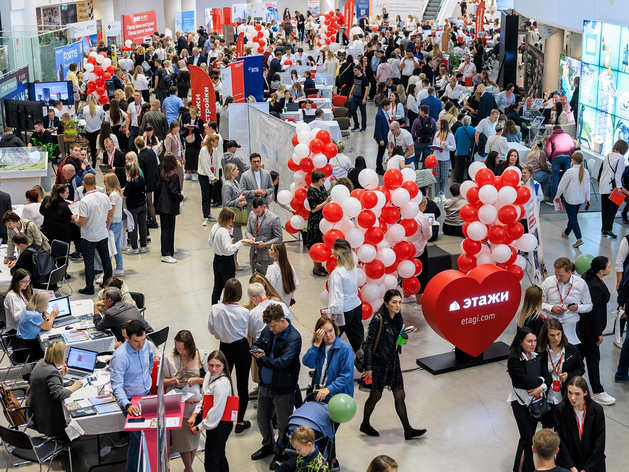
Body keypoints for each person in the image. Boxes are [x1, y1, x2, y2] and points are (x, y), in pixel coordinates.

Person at [361, 289, 427, 440]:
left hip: (393, 362)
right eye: (394, 302)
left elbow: (393, 342)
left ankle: (408, 430)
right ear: (386, 303)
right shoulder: (378, 319)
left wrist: (401, 341)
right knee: (375, 395)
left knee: (400, 394)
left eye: (399, 302)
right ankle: (365, 424)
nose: (398, 306)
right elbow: (368, 345)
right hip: (379, 363)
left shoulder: (397, 318)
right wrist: (368, 368)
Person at [250, 304, 302, 470]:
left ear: (282, 320)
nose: (270, 330)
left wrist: (262, 358)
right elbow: (256, 344)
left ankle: (281, 451)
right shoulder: (269, 329)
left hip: (283, 389)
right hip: (265, 385)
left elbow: (282, 363)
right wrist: (255, 350)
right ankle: (268, 445)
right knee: (262, 419)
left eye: (273, 326)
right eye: (269, 326)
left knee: (283, 425)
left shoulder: (294, 337)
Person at [207, 279, 252, 433]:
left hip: (224, 349)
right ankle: (240, 421)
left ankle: (221, 416)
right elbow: (249, 329)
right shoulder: (244, 312)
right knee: (242, 385)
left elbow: (212, 330)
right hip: (241, 347)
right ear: (240, 294)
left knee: (221, 382)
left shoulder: (215, 309)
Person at [110, 320, 154, 472]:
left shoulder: (145, 344)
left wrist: (146, 378)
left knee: (137, 442)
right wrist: (127, 405)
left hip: (146, 396)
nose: (141, 345)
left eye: (143, 340)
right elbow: (116, 386)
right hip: (131, 403)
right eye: (136, 341)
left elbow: (150, 358)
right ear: (127, 337)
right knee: (142, 439)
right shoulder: (120, 357)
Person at [507, 327, 552, 472]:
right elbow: (525, 382)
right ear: (520, 342)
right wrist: (541, 379)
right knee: (528, 439)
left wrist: (542, 387)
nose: (533, 344)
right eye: (529, 341)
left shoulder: (535, 356)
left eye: (534, 341)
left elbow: (549, 377)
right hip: (520, 403)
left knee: (527, 439)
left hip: (535, 403)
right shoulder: (514, 360)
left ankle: (518, 469)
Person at [163, 331, 206, 472]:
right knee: (182, 442)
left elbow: (210, 379)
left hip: (196, 404)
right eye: (178, 348)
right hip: (179, 405)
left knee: (193, 440)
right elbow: (161, 380)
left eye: (184, 349)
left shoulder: (202, 355)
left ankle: (188, 469)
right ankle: (189, 469)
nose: (181, 351)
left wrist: (197, 380)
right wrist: (173, 380)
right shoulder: (169, 358)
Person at [26, 341, 83, 440]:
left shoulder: (41, 362)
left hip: (37, 407)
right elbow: (59, 395)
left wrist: (60, 376)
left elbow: (45, 382)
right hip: (48, 415)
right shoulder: (52, 372)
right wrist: (74, 386)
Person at [188, 350, 234, 472]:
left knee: (211, 463)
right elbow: (205, 398)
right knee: (219, 457)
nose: (214, 369)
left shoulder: (221, 384)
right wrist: (195, 413)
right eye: (211, 365)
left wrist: (199, 427)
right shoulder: (209, 375)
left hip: (220, 424)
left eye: (218, 366)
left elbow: (216, 411)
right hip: (214, 422)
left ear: (224, 366)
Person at [579, 256, 616, 406]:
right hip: (589, 331)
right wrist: (598, 333)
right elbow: (593, 312)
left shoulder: (591, 278)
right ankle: (598, 392)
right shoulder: (594, 286)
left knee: (579, 357)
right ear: (601, 271)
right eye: (608, 266)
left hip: (587, 330)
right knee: (593, 360)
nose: (611, 268)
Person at [537, 319, 585, 429]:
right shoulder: (540, 352)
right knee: (547, 430)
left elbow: (581, 369)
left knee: (565, 429)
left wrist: (569, 375)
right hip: (546, 397)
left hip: (565, 397)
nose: (556, 338)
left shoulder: (571, 350)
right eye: (552, 335)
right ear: (546, 335)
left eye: (558, 334)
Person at [554, 376, 606, 472]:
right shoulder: (561, 410)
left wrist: (586, 469)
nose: (572, 398)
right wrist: (572, 467)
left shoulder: (596, 410)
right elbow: (559, 439)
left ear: (585, 393)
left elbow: (599, 443)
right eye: (570, 393)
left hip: (592, 464)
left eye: (577, 394)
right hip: (568, 465)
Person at [73, 174, 112, 294]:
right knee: (106, 260)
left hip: (89, 236)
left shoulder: (84, 201)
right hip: (102, 233)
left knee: (89, 262)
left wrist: (75, 219)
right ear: (95, 183)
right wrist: (106, 226)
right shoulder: (104, 196)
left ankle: (89, 287)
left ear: (83, 184)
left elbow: (82, 222)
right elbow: (110, 213)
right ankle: (107, 284)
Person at [541, 257, 593, 347]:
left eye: (561, 275)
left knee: (571, 356)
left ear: (569, 272)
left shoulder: (581, 284)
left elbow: (589, 305)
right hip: (552, 325)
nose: (557, 278)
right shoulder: (548, 283)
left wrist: (578, 308)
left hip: (572, 327)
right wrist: (551, 308)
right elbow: (538, 304)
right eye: (556, 274)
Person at [302, 316, 354, 402]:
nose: (328, 335)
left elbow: (346, 375)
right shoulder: (319, 347)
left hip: (337, 397)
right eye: (324, 333)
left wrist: (329, 389)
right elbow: (307, 362)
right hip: (320, 395)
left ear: (335, 329)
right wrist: (316, 344)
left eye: (330, 331)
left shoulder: (345, 349)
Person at [326, 238, 363, 353]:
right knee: (358, 342)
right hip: (356, 307)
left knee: (329, 341)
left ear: (338, 252)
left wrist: (332, 319)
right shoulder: (353, 268)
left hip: (344, 312)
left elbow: (336, 297)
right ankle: (367, 366)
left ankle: (324, 368)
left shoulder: (337, 273)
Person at [209, 207, 253, 304]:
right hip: (226, 262)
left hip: (216, 259)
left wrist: (220, 245)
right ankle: (228, 308)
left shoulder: (215, 227)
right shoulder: (224, 231)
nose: (233, 221)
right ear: (227, 219)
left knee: (217, 287)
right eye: (232, 218)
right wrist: (241, 242)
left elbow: (210, 242)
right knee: (229, 288)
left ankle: (214, 307)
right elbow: (229, 249)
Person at [155, 153, 186, 263]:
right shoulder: (174, 176)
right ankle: (166, 253)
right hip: (169, 207)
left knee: (165, 230)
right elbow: (174, 192)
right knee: (169, 230)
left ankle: (168, 249)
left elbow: (158, 188)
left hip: (162, 206)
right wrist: (181, 197)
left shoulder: (163, 174)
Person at [555, 152, 590, 249]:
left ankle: (579, 238)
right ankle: (566, 233)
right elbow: (588, 187)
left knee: (573, 218)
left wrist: (557, 195)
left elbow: (562, 186)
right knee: (573, 216)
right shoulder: (586, 171)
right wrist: (588, 198)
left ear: (573, 160)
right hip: (580, 199)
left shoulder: (569, 172)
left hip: (570, 199)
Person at [245, 197, 283, 276]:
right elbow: (248, 230)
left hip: (266, 256)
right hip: (253, 254)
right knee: (255, 278)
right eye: (254, 211)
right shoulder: (252, 214)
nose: (256, 214)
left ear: (264, 207)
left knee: (267, 280)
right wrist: (250, 238)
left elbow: (279, 238)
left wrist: (265, 244)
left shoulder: (273, 218)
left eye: (258, 212)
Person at [599, 139, 628, 238]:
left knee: (605, 208)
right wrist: (619, 187)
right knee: (613, 209)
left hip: (604, 185)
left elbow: (602, 170)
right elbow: (618, 174)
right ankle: (608, 229)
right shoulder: (620, 158)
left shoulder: (608, 155)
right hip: (613, 187)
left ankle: (604, 228)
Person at [16, 291, 57, 360]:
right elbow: (48, 327)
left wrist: (43, 312)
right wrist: (53, 316)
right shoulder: (35, 315)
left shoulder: (28, 308)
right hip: (27, 348)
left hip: (20, 341)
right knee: (51, 353)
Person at [305, 170, 330, 276]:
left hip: (323, 219)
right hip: (315, 220)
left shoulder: (322, 187)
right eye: (322, 179)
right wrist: (325, 202)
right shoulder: (311, 191)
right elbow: (313, 209)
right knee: (316, 244)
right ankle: (316, 267)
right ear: (316, 180)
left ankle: (320, 265)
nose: (323, 181)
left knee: (322, 242)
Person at [124, 163, 148, 254]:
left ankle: (134, 248)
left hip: (133, 206)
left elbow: (126, 195)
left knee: (133, 227)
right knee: (143, 226)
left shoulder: (130, 182)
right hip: (143, 204)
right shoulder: (141, 178)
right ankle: (143, 246)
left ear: (129, 171)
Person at [104, 173, 125, 277]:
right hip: (118, 223)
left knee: (109, 248)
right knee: (116, 246)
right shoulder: (117, 193)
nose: (104, 184)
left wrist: (107, 226)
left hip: (113, 224)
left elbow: (111, 213)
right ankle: (119, 268)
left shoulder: (113, 195)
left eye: (105, 182)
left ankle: (106, 273)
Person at [266, 242, 298, 307]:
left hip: (275, 303)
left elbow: (269, 286)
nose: (268, 250)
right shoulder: (289, 265)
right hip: (286, 301)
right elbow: (296, 284)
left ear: (277, 253)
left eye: (271, 249)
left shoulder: (272, 269)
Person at [432, 119, 456, 201]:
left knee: (444, 176)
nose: (437, 126)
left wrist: (447, 146)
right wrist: (433, 147)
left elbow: (453, 147)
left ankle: (442, 192)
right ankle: (437, 194)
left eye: (439, 124)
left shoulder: (450, 135)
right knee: (437, 176)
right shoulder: (436, 134)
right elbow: (434, 143)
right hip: (436, 157)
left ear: (443, 126)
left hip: (445, 158)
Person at [198, 134, 220, 225]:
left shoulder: (215, 150)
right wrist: (211, 177)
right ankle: (205, 216)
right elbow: (205, 165)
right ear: (211, 142)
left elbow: (216, 163)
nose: (217, 145)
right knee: (205, 196)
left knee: (210, 194)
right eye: (216, 143)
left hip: (212, 176)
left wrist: (216, 177)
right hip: (204, 175)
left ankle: (209, 213)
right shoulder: (203, 150)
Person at [4, 269, 32, 334]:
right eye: (24, 282)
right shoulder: (11, 296)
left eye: (28, 281)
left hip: (23, 327)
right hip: (15, 331)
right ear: (16, 281)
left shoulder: (21, 292)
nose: (27, 284)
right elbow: (18, 318)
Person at [453, 115, 476, 183]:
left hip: (460, 150)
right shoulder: (473, 130)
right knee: (469, 166)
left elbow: (455, 139)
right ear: (470, 122)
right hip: (469, 151)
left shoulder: (459, 129)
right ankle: (469, 179)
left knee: (460, 166)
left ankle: (459, 180)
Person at [165, 121, 185, 190]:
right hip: (173, 159)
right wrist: (173, 159)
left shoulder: (178, 135)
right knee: (175, 175)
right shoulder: (169, 137)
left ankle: (180, 190)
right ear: (173, 128)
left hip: (179, 157)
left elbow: (181, 146)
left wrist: (183, 156)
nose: (179, 128)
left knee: (181, 175)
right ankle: (175, 190)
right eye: (177, 127)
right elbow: (168, 151)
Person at [374, 99, 392, 175]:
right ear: (385, 106)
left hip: (386, 135)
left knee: (382, 152)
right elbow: (378, 128)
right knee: (380, 153)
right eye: (388, 105)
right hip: (382, 137)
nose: (390, 107)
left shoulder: (386, 113)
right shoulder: (379, 115)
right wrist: (380, 139)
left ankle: (379, 167)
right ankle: (379, 168)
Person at [349, 65, 369, 131]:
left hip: (361, 97)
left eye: (356, 70)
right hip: (355, 97)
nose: (354, 72)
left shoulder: (364, 78)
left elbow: (367, 88)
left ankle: (363, 126)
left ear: (359, 70)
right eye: (354, 70)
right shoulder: (354, 77)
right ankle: (356, 124)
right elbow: (354, 85)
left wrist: (364, 98)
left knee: (363, 112)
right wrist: (350, 93)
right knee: (353, 110)